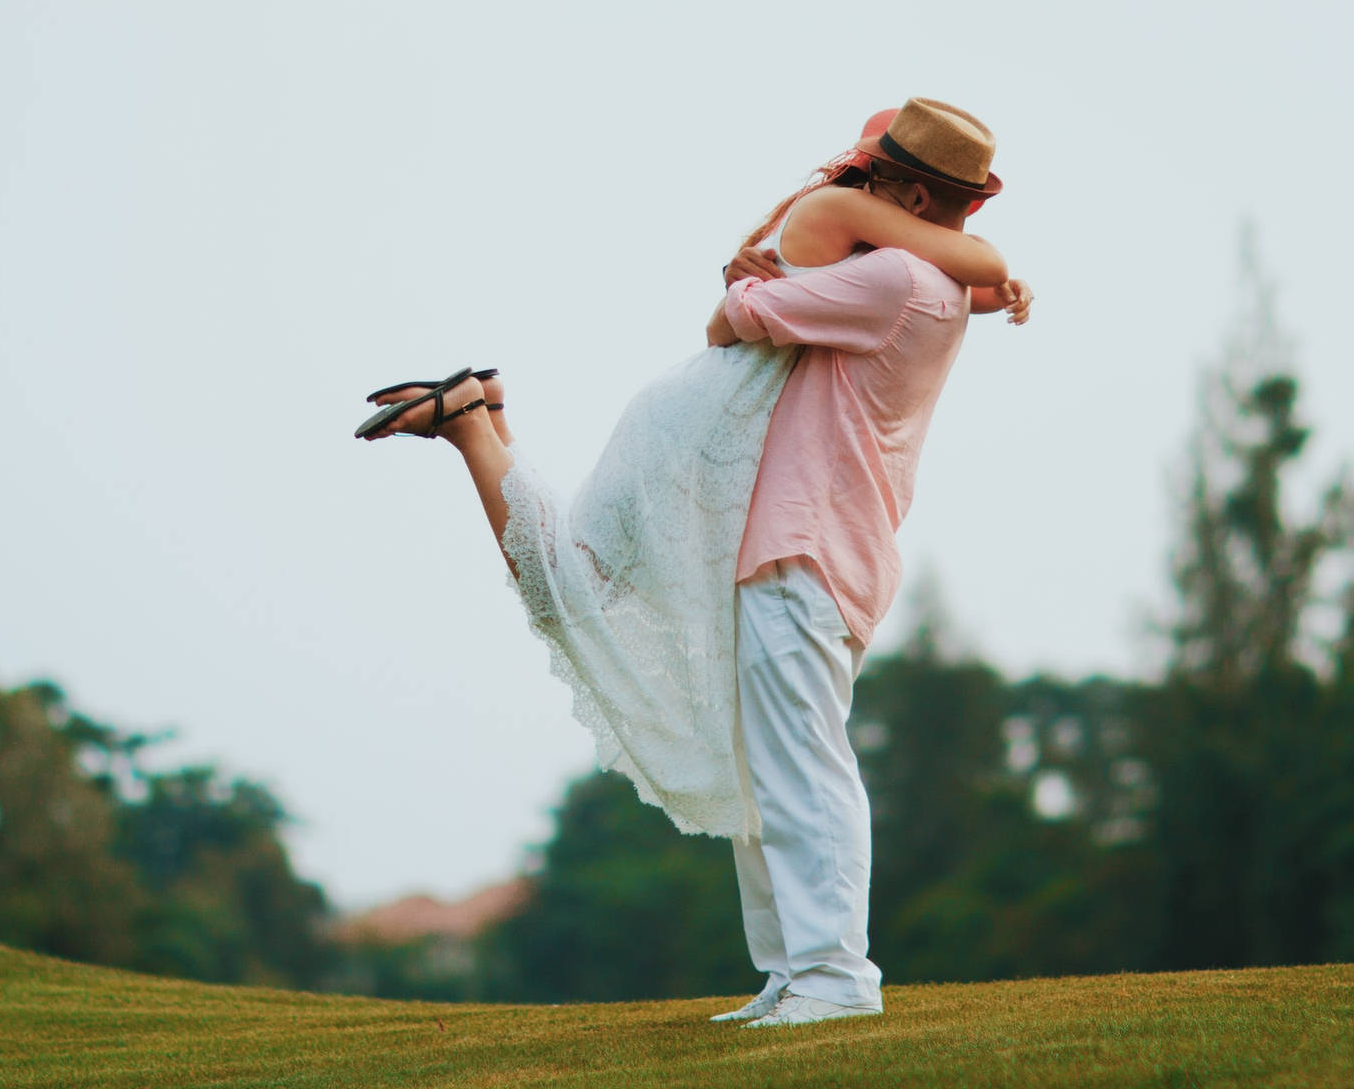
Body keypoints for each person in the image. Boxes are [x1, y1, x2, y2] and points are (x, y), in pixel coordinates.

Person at [356, 98, 1030, 1027]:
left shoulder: (899, 285)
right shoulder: (919, 277)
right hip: (794, 543)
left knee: (803, 770)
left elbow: (734, 318)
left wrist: (749, 283)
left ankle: (833, 979)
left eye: (875, 181)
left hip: (811, 545)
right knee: (772, 776)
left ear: (908, 193)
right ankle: (796, 976)